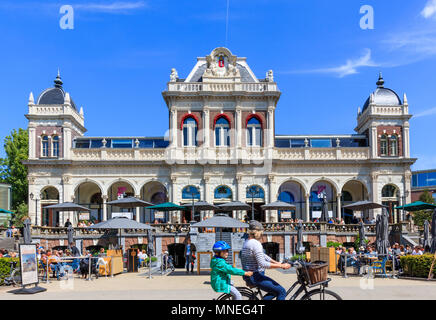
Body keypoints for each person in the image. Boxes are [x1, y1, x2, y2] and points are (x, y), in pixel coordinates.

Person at [241, 220, 291, 300]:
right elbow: (263, 264)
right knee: (281, 291)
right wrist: (281, 265)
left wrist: (276, 262)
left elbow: (262, 255)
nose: (262, 235)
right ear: (257, 232)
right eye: (261, 232)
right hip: (255, 276)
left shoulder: (247, 242)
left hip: (248, 275)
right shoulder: (255, 243)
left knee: (273, 291)